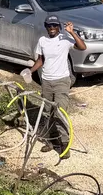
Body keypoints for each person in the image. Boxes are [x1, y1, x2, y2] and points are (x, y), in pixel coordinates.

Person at [29, 15, 86, 159]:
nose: (52, 28)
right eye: (49, 26)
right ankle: (50, 141)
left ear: (59, 27)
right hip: (46, 81)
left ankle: (65, 145)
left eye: (54, 26)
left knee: (60, 113)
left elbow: (82, 47)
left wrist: (72, 32)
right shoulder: (42, 41)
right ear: (46, 27)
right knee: (47, 112)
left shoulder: (65, 39)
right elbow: (41, 60)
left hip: (61, 81)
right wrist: (29, 71)